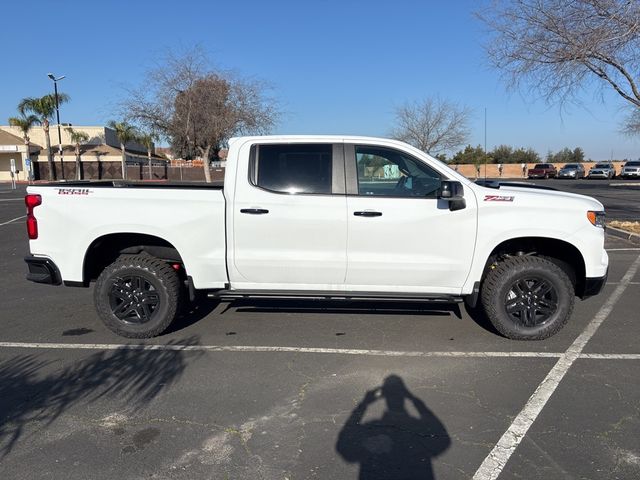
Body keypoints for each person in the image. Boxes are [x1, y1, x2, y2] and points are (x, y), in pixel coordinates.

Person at [337, 375, 450, 479]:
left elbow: (344, 445)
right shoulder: (418, 430)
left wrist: (363, 405)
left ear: (384, 396)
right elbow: (442, 439)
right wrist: (415, 400)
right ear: (403, 394)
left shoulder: (372, 429)